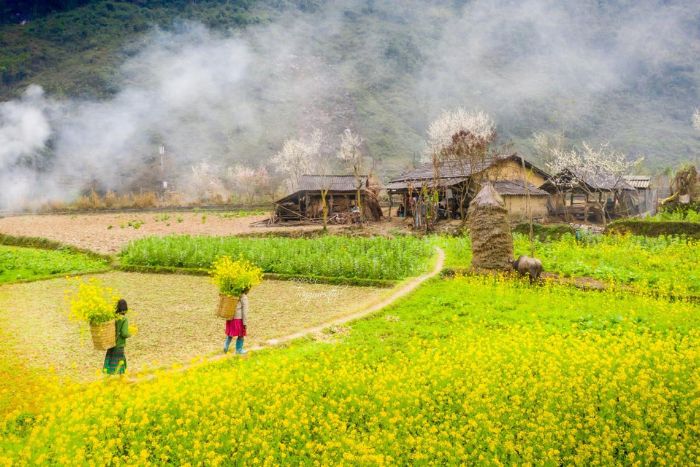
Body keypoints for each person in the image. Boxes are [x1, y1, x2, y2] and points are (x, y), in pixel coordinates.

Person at [103, 299, 131, 375]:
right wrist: (130, 334)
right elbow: (124, 333)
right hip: (119, 344)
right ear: (125, 308)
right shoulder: (124, 319)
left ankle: (107, 379)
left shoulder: (112, 317)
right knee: (119, 362)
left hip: (111, 343)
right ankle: (122, 379)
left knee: (111, 362)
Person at [224, 290, 249, 355]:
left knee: (230, 333)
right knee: (241, 335)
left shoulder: (231, 294)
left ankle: (226, 346)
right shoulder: (243, 296)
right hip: (238, 318)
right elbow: (245, 311)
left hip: (230, 317)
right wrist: (245, 323)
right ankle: (239, 350)